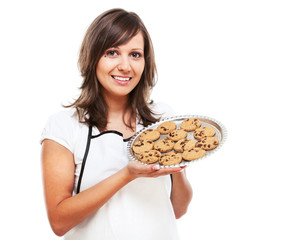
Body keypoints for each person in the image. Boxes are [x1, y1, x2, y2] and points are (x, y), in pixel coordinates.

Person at [40, 8, 192, 240]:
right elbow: (59, 222)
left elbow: (178, 209)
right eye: (112, 52)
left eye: (135, 54)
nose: (125, 66)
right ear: (93, 57)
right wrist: (127, 174)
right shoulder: (64, 127)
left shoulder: (162, 118)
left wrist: (179, 165)